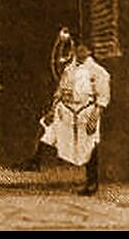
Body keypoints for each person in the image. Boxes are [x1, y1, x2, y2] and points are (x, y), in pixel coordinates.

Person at [21, 41, 110, 195]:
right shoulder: (69, 70)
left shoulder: (97, 71)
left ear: (89, 51)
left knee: (90, 145)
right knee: (47, 131)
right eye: (77, 49)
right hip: (66, 110)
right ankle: (35, 161)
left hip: (86, 111)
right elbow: (60, 91)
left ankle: (92, 183)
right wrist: (52, 110)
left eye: (83, 49)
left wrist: (94, 116)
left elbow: (102, 97)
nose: (79, 52)